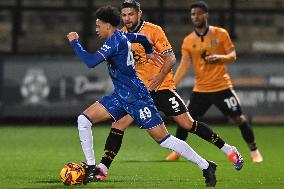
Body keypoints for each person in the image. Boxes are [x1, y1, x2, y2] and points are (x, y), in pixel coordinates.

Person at [91, 0, 243, 183]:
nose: (127, 18)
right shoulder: (121, 35)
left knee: (187, 124)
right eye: (124, 15)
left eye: (131, 14)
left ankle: (228, 149)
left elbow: (170, 58)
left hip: (161, 87)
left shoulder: (154, 31)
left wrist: (158, 78)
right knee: (118, 124)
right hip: (139, 92)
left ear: (139, 13)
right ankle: (102, 168)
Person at [67, 5, 217, 187]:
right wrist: (148, 51)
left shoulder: (114, 42)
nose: (97, 29)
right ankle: (92, 166)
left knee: (164, 139)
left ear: (108, 26)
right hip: (121, 96)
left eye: (99, 26)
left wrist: (75, 42)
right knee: (84, 120)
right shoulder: (122, 36)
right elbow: (142, 38)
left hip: (138, 98)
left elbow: (90, 62)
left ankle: (206, 165)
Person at [166, 1, 263, 163]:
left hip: (222, 87)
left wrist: (220, 58)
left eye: (198, 13)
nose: (195, 17)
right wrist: (172, 84)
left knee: (239, 119)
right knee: (184, 120)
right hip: (201, 89)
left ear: (205, 14)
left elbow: (233, 55)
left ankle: (254, 151)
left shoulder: (221, 34)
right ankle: (176, 153)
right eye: (192, 14)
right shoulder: (188, 41)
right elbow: (184, 65)